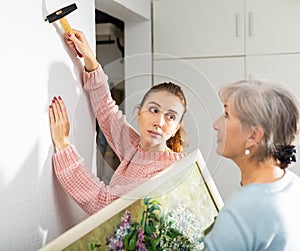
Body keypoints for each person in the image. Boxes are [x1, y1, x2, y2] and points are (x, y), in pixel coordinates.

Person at [48, 30, 188, 215]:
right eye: (154, 110)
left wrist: (64, 146)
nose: (159, 122)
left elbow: (105, 206)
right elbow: (107, 111)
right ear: (139, 113)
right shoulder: (135, 148)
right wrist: (90, 60)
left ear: (176, 127)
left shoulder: (172, 169)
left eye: (170, 116)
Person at [204, 80, 300, 251]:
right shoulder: (292, 185)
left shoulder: (242, 211)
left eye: (226, 115)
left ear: (253, 135)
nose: (216, 125)